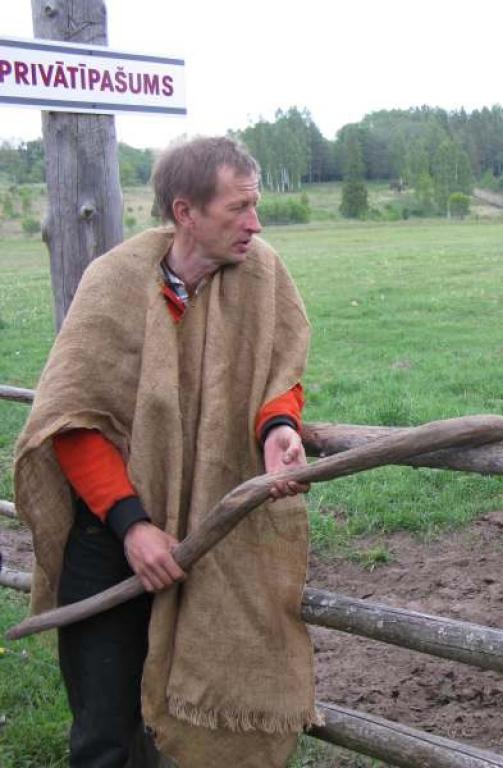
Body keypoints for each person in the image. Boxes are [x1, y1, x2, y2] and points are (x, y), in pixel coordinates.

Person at [14, 136, 319, 767]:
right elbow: (76, 420)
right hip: (109, 534)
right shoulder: (115, 283)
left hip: (212, 529)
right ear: (186, 212)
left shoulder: (263, 275)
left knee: (181, 720)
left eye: (254, 206)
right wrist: (132, 528)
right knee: (105, 733)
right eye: (238, 208)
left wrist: (277, 431)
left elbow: (277, 374)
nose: (254, 223)